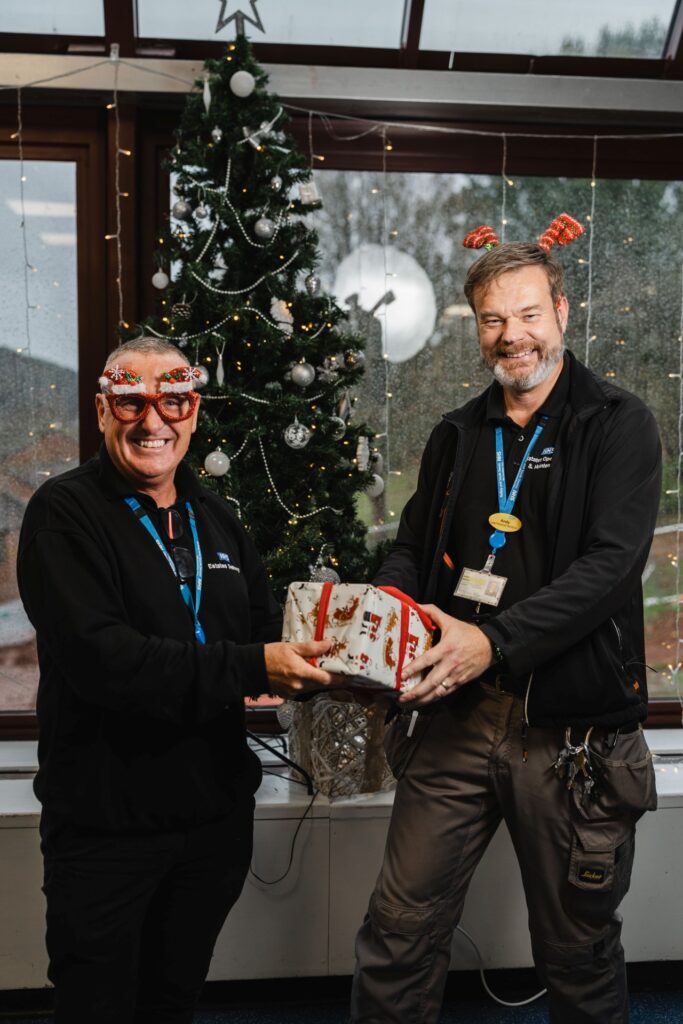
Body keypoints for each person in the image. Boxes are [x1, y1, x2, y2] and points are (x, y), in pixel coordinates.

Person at [350, 220, 661, 1024]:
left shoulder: (617, 425)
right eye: (492, 320)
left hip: (569, 731)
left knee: (577, 950)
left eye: (527, 315)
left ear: (560, 312)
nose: (510, 336)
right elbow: (411, 549)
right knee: (397, 932)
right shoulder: (458, 433)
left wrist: (491, 638)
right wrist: (389, 611)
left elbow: (609, 568)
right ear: (476, 329)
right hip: (454, 714)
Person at [17, 337, 338, 1024]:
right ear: (105, 410)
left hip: (212, 824)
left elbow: (259, 635)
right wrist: (257, 665)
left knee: (172, 1003)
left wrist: (323, 665)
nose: (152, 420)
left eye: (174, 400)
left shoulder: (217, 519)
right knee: (97, 1009)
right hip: (107, 827)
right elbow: (107, 663)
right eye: (131, 402)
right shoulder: (64, 514)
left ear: (194, 412)